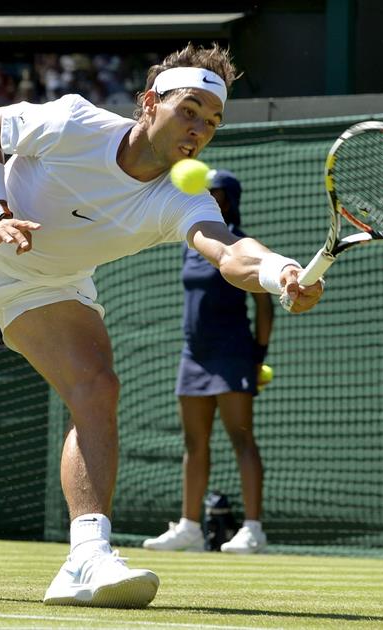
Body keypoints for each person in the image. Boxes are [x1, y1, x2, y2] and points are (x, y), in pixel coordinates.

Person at [0, 43, 324, 608]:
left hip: (48, 283)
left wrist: (278, 271)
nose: (198, 130)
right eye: (188, 110)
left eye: (212, 122)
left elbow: (229, 251)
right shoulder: (74, 122)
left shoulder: (179, 198)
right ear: (149, 103)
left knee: (95, 384)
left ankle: (86, 556)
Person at [142, 170, 272, 554]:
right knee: (194, 443)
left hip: (233, 353)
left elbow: (264, 303)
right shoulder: (193, 242)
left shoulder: (242, 244)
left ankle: (253, 530)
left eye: (211, 193)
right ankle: (190, 528)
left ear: (226, 199)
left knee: (241, 439)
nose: (203, 198)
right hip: (193, 354)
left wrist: (257, 355)